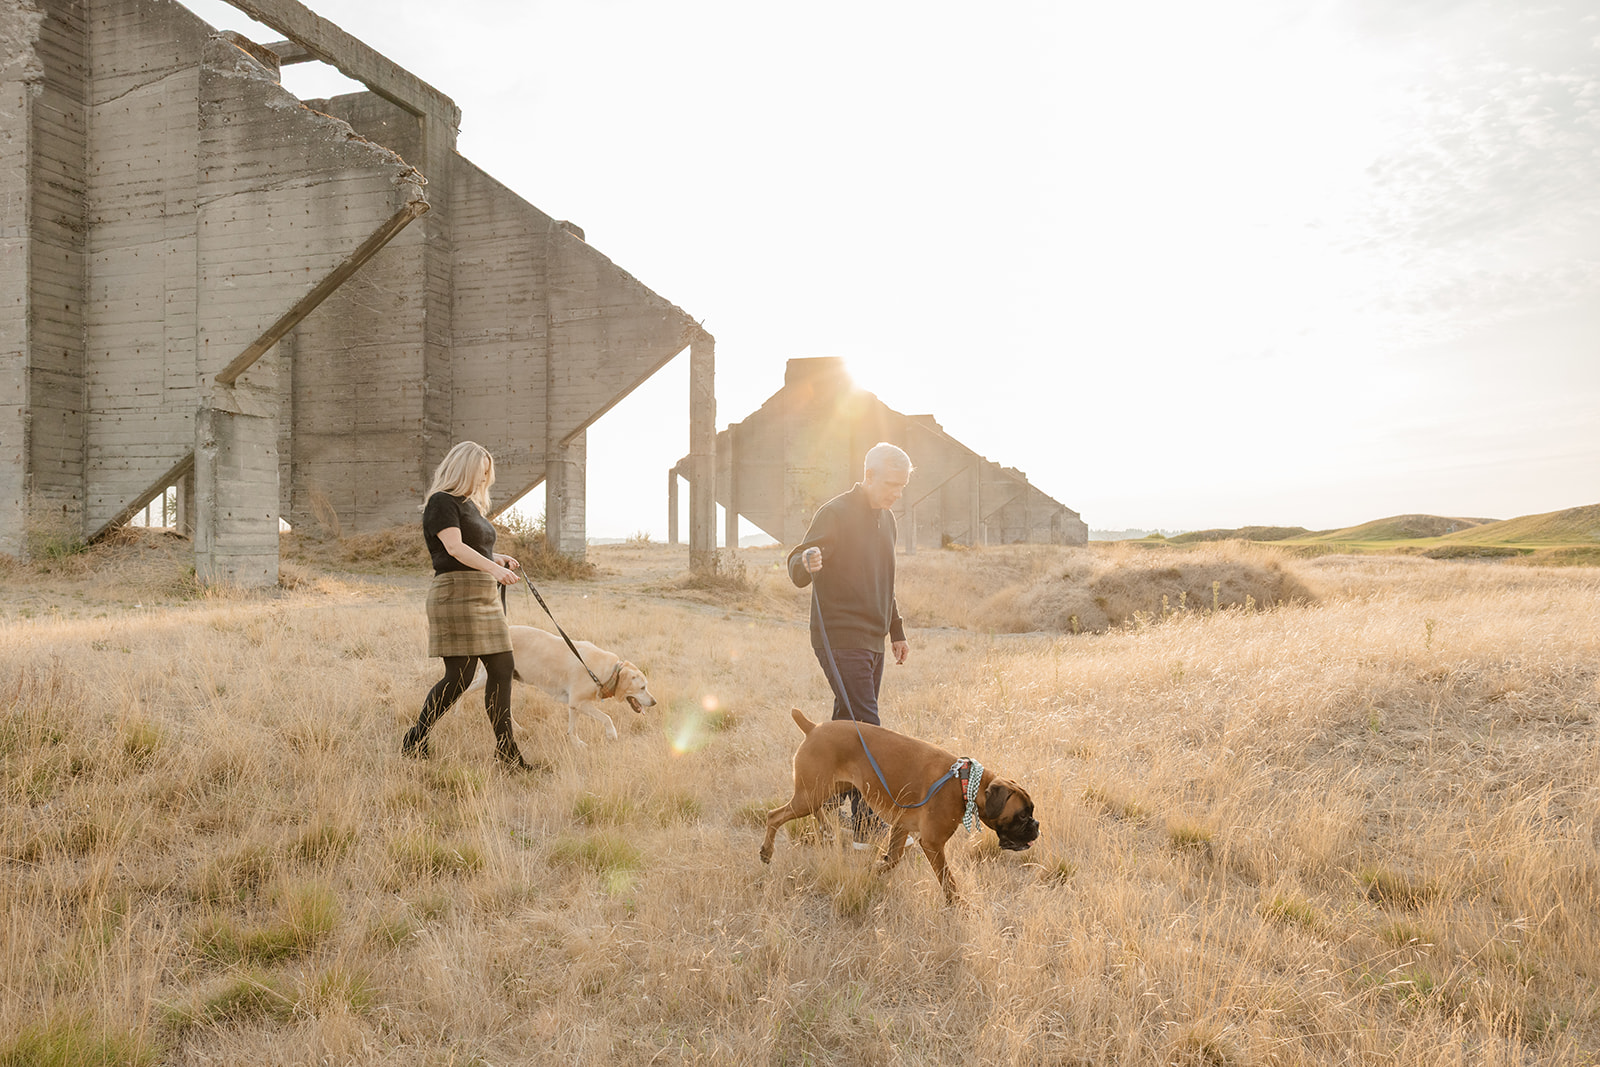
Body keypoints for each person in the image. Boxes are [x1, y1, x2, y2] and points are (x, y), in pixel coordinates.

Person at [786, 442, 912, 846]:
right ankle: (866, 827)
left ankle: (820, 799)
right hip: (839, 636)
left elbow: (885, 582)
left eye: (903, 486)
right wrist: (807, 561)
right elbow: (797, 561)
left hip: (872, 640)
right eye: (892, 484)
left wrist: (896, 631)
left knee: (846, 726)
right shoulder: (835, 512)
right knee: (867, 729)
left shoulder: (888, 519)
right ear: (870, 475)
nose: (897, 493)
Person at [401, 441, 533, 770]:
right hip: (455, 595)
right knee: (459, 676)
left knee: (502, 669)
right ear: (463, 469)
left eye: (487, 474)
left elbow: (473, 547)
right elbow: (454, 549)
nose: (483, 480)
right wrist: (495, 569)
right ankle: (415, 737)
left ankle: (507, 752)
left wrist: (497, 558)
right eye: (480, 473)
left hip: (482, 594)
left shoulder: (468, 505)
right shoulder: (441, 502)